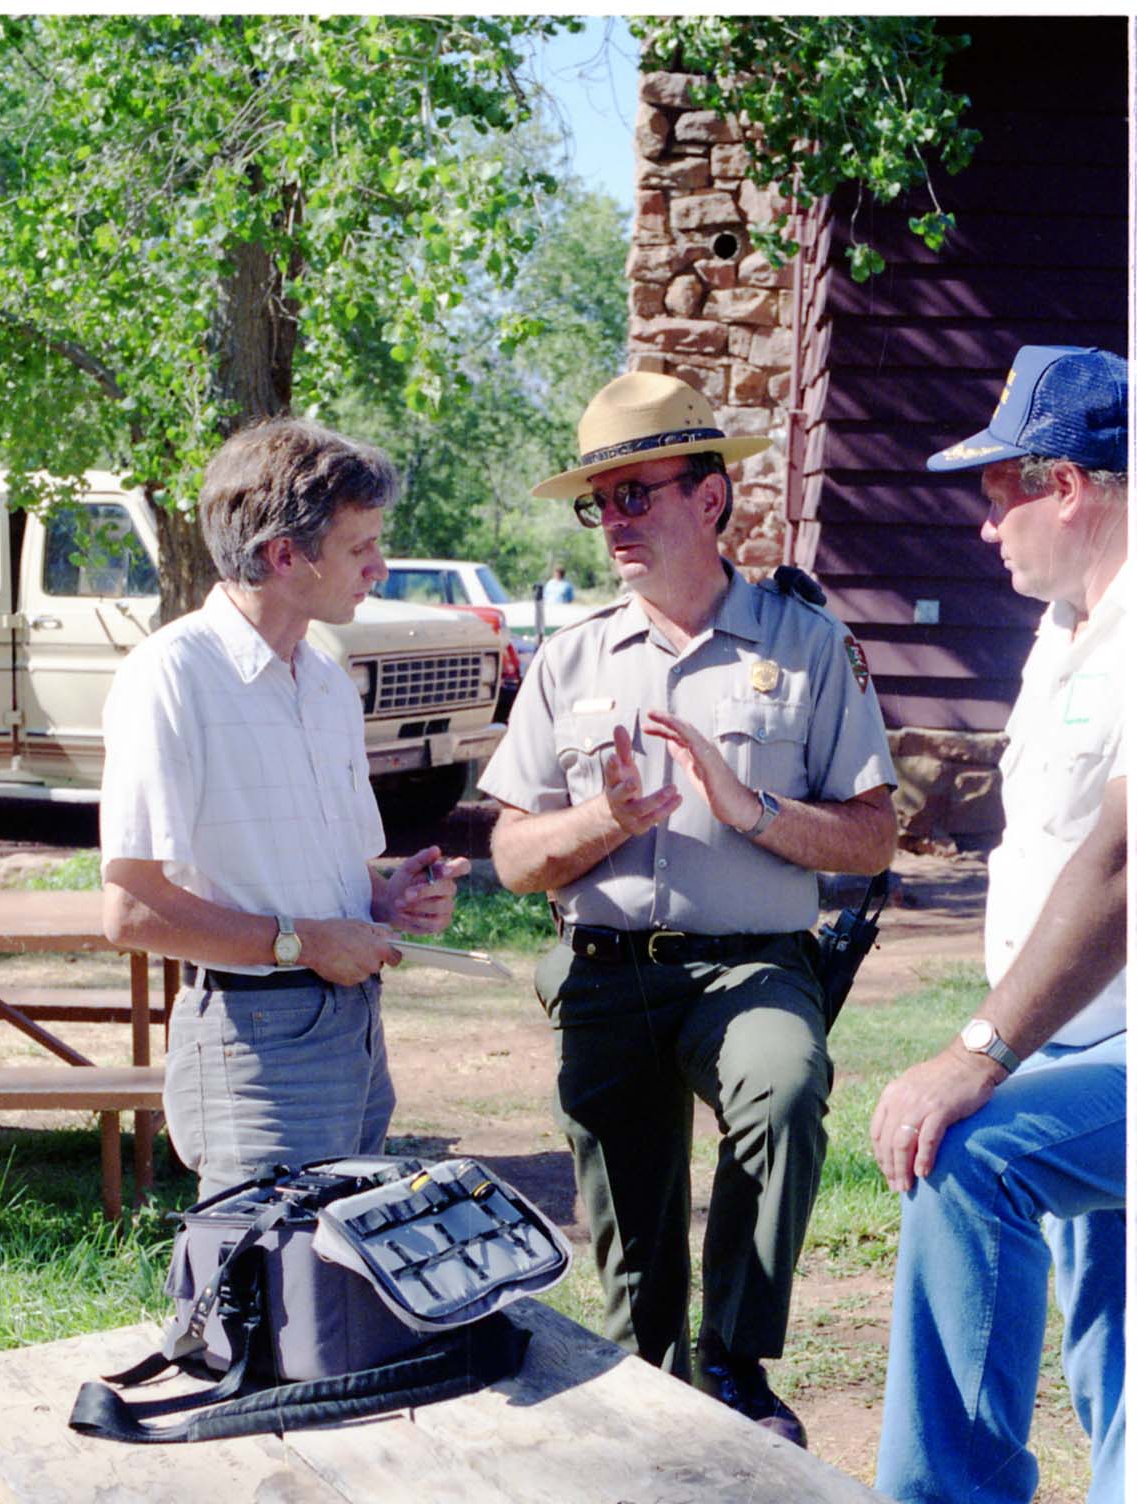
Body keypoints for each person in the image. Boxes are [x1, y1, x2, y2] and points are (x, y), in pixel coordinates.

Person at [480, 371, 897, 1445]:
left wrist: (746, 805)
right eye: (599, 501)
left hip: (751, 965)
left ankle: (739, 1364)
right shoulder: (570, 659)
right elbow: (514, 856)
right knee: (629, 1243)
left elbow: (870, 836)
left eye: (636, 494)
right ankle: (654, 1382)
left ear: (709, 498)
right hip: (607, 969)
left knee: (783, 1084)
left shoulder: (804, 645)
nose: (614, 521)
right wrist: (605, 820)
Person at [871, 345, 1127, 1504]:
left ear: (1069, 482)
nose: (982, 523)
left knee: (970, 1158)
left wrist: (978, 1050)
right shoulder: (1067, 628)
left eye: (999, 492)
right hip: (1081, 1045)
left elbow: (1122, 866)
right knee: (1118, 1363)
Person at [100, 417, 469, 1199]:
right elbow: (131, 912)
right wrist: (301, 944)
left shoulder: (327, 679)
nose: (381, 566)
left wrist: (389, 896)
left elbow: (328, 877)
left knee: (328, 1295)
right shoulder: (171, 676)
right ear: (283, 555)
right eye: (360, 546)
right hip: (255, 1034)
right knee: (260, 1292)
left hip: (354, 1027)